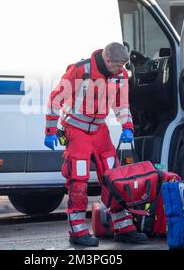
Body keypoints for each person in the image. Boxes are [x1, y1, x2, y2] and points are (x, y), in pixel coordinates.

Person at [44, 42, 148, 246]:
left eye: (124, 66)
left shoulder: (120, 76)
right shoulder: (80, 70)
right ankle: (77, 231)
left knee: (113, 177)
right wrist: (49, 131)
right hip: (76, 131)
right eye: (118, 66)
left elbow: (122, 105)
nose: (122, 70)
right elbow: (55, 100)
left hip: (100, 131)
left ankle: (124, 227)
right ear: (107, 60)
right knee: (78, 179)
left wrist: (127, 126)